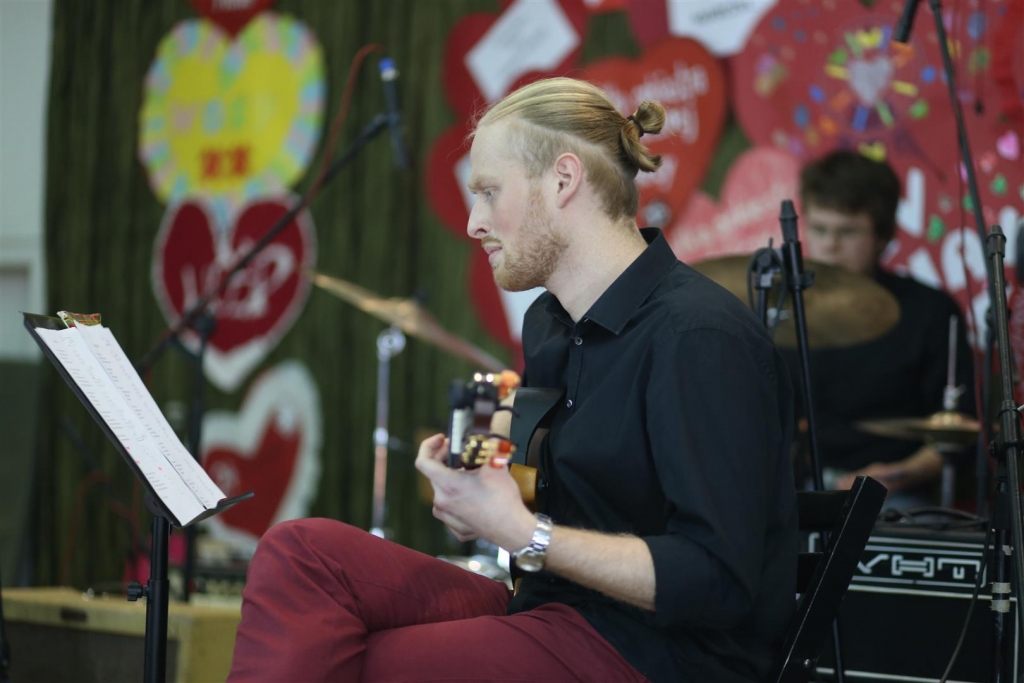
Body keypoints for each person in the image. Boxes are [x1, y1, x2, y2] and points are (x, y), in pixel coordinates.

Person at [227, 77, 799, 682]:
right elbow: (559, 492)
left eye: (489, 192)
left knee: (370, 664)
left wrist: (526, 532)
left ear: (563, 180)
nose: (474, 223)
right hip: (552, 608)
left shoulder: (698, 336)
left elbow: (718, 580)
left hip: (659, 654)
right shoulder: (549, 322)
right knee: (299, 551)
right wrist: (479, 488)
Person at [784, 150, 975, 509]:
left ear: (883, 236)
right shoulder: (780, 311)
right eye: (819, 229)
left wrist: (897, 474)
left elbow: (959, 432)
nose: (830, 245)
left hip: (892, 492)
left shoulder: (929, 313)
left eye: (847, 232)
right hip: (795, 487)